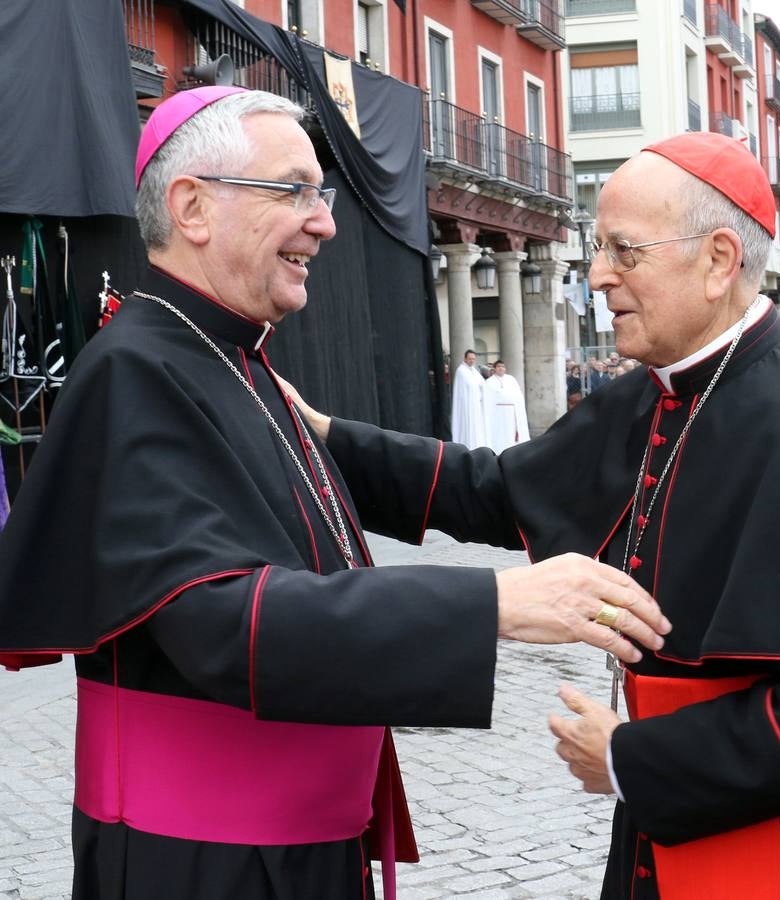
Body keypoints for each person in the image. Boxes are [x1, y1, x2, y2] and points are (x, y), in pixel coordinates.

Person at [0, 87, 672, 900]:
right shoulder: (135, 371)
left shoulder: (229, 361)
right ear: (192, 207)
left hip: (293, 853)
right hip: (204, 864)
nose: (323, 221)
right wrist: (489, 604)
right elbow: (218, 620)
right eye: (294, 191)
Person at [287, 130, 780, 898]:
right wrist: (320, 436)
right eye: (598, 248)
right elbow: (495, 491)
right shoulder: (657, 390)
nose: (598, 275)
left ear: (718, 260)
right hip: (683, 817)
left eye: (624, 250)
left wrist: (627, 757)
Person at [483, 360, 530, 452]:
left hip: (512, 412)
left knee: (511, 433)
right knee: (500, 433)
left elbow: (518, 396)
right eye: (498, 366)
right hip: (497, 413)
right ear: (494, 369)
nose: (501, 368)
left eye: (503, 366)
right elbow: (487, 400)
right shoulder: (489, 382)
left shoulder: (511, 379)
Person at [451, 349, 488, 449]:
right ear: (465, 359)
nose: (472, 361)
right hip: (467, 406)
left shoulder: (474, 370)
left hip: (476, 405)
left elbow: (481, 383)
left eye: (473, 359)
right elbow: (468, 386)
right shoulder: (461, 371)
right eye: (470, 359)